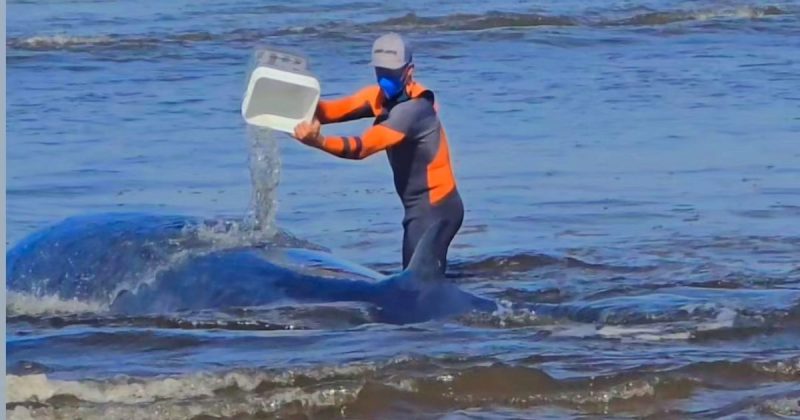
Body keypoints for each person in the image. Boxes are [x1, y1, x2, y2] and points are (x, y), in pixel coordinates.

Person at [292, 32, 463, 274]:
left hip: (435, 210)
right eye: (380, 72)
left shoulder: (414, 111)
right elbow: (329, 111)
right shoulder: (380, 97)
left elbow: (362, 147)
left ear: (409, 71)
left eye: (392, 73)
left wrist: (318, 141)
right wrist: (291, 102)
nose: (385, 79)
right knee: (419, 281)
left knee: (415, 285)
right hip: (418, 207)